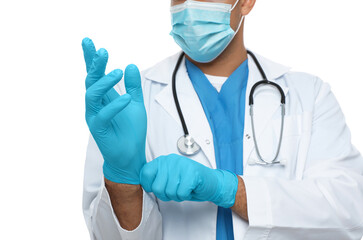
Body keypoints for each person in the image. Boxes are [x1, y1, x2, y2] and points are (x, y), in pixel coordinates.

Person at [82, 0, 363, 239]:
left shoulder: (308, 95)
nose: (189, 5)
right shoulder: (129, 101)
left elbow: (350, 211)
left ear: (246, 2)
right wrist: (123, 183)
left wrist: (228, 189)